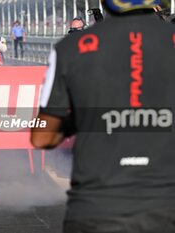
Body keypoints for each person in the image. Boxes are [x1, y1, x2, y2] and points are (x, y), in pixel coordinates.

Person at [31, 0, 175, 232]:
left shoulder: (70, 48)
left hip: (96, 206)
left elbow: (41, 137)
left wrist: (80, 119)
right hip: (163, 204)